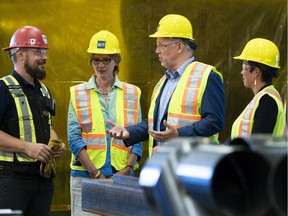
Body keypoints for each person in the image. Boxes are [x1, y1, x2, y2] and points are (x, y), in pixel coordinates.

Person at [107, 14, 225, 156]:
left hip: (193, 165)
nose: (157, 51)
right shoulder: (164, 81)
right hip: (165, 164)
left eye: (161, 45)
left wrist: (179, 134)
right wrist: (128, 132)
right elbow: (156, 123)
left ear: (180, 47)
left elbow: (214, 121)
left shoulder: (207, 75)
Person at [67, 30, 143, 216]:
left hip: (122, 177)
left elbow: (139, 136)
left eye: (106, 60)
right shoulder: (77, 93)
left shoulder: (132, 93)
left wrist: (129, 169)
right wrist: (95, 173)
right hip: (86, 177)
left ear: (116, 60)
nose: (100, 65)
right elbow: (73, 138)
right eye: (96, 60)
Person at [0, 26, 66, 215]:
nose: (44, 57)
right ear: (20, 55)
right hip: (11, 182)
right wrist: (27, 147)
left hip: (43, 182)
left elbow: (48, 125)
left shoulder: (44, 91)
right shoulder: (3, 88)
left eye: (44, 51)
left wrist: (56, 143)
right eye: (38, 51)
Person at [231, 38, 286, 139]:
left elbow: (259, 146)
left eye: (244, 67)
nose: (241, 72)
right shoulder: (263, 98)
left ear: (256, 72)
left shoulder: (267, 101)